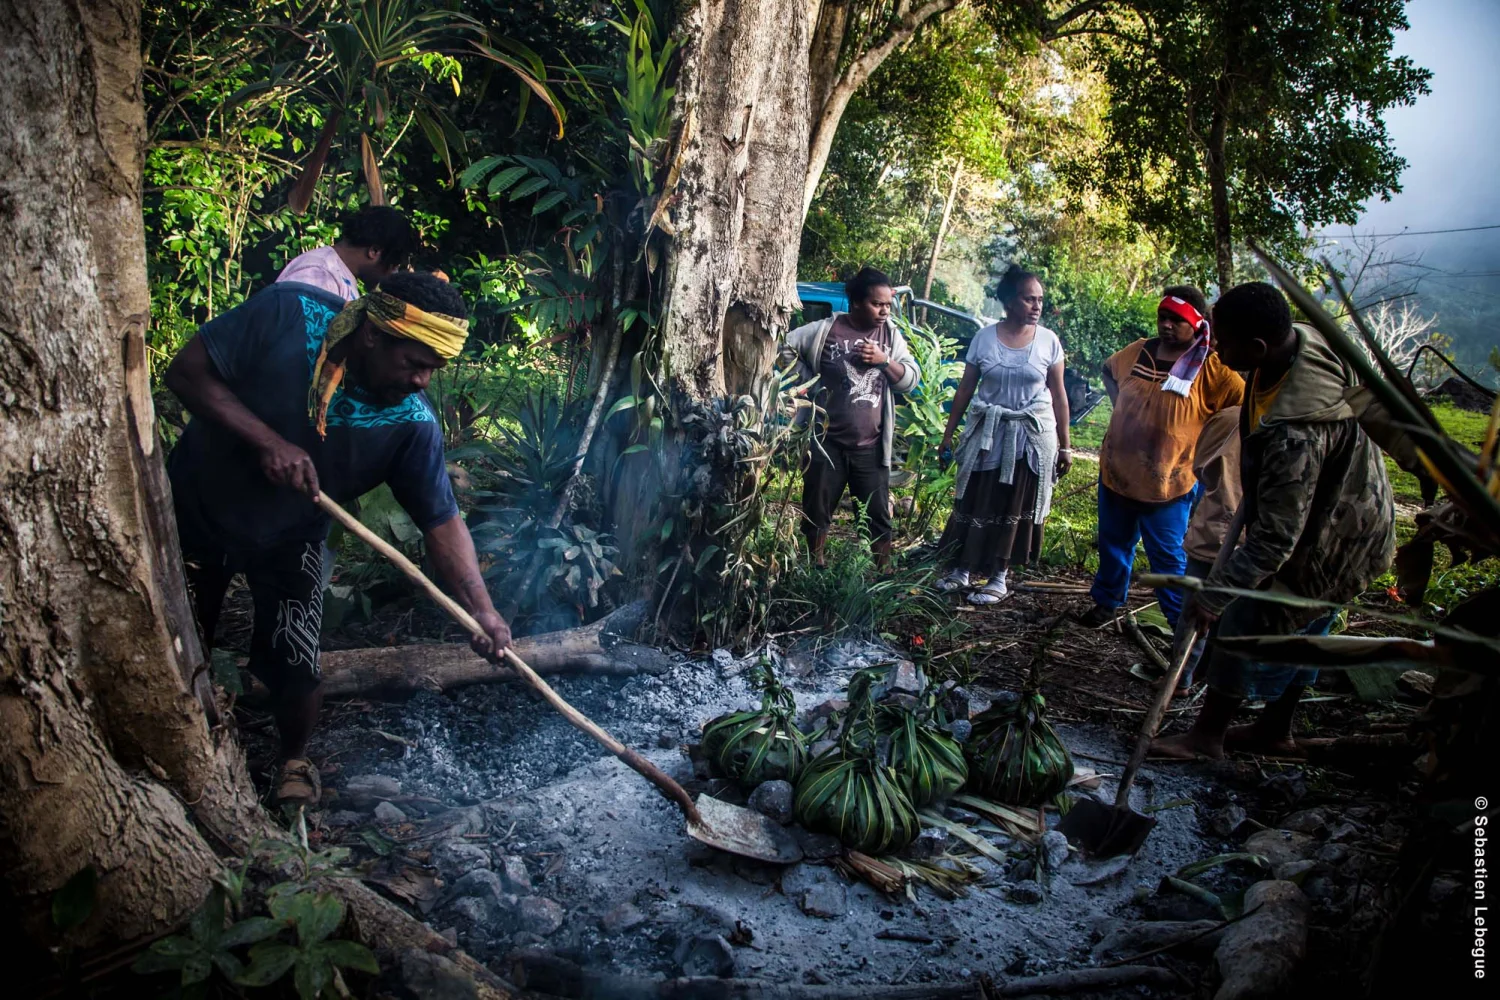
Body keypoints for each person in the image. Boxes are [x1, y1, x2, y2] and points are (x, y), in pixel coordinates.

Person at [165, 270, 511, 806]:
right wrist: (267, 442)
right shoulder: (287, 313)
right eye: (414, 363)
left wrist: (482, 611)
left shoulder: (411, 425)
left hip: (292, 534)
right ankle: (178, 753)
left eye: (433, 370)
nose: (422, 381)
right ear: (373, 334)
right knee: (181, 643)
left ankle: (291, 761)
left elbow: (442, 522)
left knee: (298, 658)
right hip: (196, 510)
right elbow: (185, 373)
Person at [1152, 282, 1394, 759]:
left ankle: (1207, 737)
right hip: (1329, 514)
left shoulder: (1296, 433)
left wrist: (1218, 593)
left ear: (1258, 347)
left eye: (1223, 339)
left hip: (1339, 533)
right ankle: (1273, 730)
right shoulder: (1294, 343)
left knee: (1245, 616)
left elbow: (1277, 538)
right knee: (1305, 629)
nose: (1214, 346)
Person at [1081, 286, 1244, 628]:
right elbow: (1109, 371)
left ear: (1197, 325)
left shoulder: (1212, 370)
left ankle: (1181, 627)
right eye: (1163, 317)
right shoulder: (1139, 351)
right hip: (1117, 472)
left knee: (1168, 560)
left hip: (1169, 484)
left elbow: (1242, 407)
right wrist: (1123, 411)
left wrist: (1211, 444)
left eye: (1177, 320)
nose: (1166, 325)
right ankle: (1106, 604)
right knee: (1114, 544)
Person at [933, 266, 1073, 604]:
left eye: (1040, 300)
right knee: (978, 498)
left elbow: (1059, 396)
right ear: (1009, 302)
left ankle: (998, 576)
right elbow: (966, 389)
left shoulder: (1048, 342)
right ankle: (962, 570)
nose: (1037, 306)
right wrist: (948, 436)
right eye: (1029, 299)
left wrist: (1066, 447)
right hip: (987, 433)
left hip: (1028, 437)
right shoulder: (984, 338)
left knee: (1015, 501)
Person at [784, 267, 921, 570]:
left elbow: (910, 380)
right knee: (817, 509)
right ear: (857, 302)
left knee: (877, 515)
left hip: (870, 444)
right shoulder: (825, 331)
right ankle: (814, 567)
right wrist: (807, 379)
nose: (885, 311)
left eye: (887, 304)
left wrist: (884, 361)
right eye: (877, 304)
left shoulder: (891, 336)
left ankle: (882, 572)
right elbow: (787, 346)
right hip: (826, 441)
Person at [277, 205, 420, 302]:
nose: (393, 273)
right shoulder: (320, 273)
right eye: (394, 265)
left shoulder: (338, 273)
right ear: (374, 251)